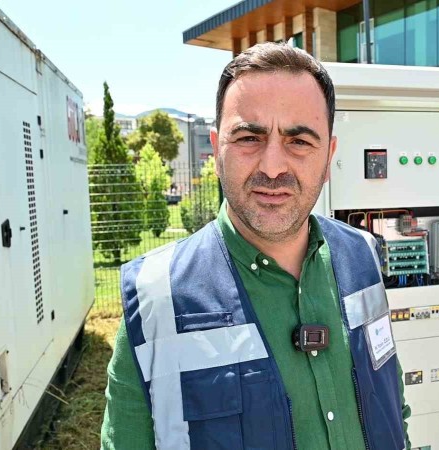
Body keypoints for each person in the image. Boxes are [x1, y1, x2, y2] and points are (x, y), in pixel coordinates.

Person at [101, 42, 411, 450]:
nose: (272, 166)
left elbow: (391, 402)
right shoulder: (156, 297)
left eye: (299, 141)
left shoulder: (362, 256)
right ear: (217, 150)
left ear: (329, 157)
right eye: (249, 137)